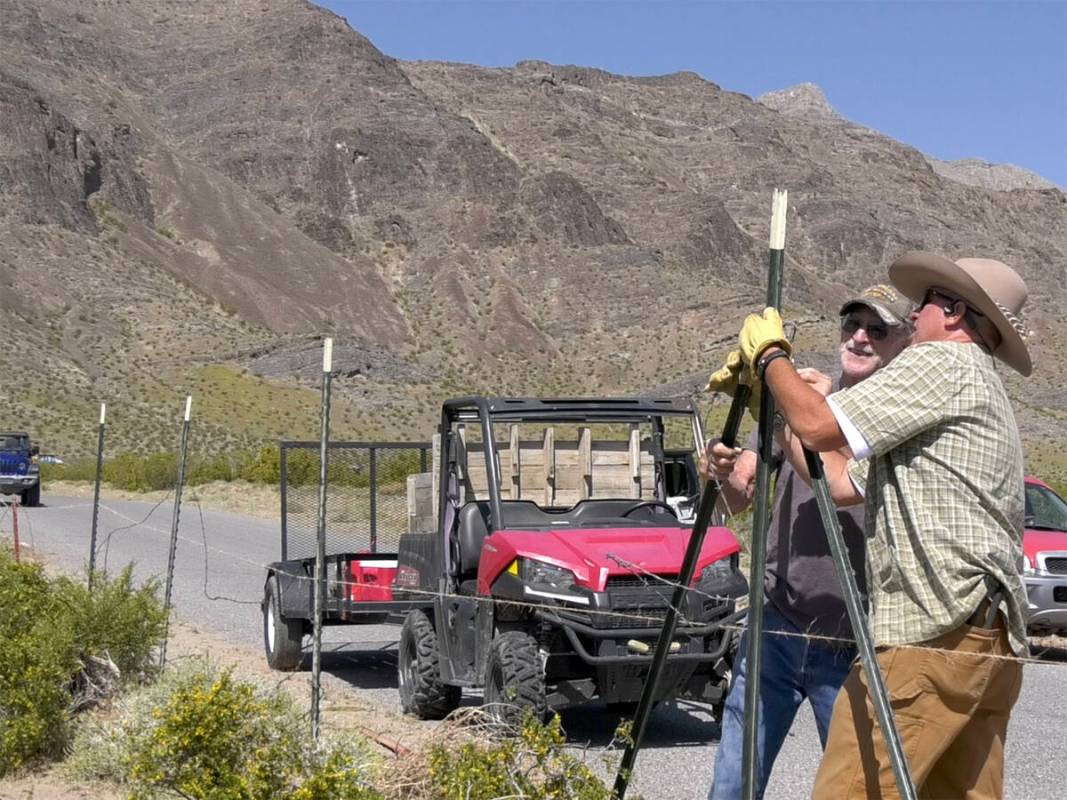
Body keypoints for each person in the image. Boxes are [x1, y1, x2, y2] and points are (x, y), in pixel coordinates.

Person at [731, 252, 1031, 799]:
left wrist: (771, 356)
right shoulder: (970, 386)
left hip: (930, 634)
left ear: (956, 313)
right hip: (983, 642)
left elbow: (820, 426)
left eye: (926, 303)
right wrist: (770, 407)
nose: (914, 316)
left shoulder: (942, 363)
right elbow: (841, 482)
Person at [703, 285, 912, 800]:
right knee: (734, 781)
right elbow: (736, 501)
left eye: (877, 330)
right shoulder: (800, 404)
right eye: (852, 325)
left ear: (904, 342)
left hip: (854, 641)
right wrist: (718, 471)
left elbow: (845, 490)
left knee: (856, 787)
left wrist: (803, 413)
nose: (860, 337)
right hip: (776, 624)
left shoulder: (898, 418)